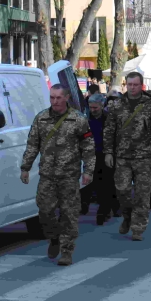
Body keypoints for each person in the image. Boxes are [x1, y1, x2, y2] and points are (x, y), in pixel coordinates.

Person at [21, 85, 95, 266]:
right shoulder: (41, 118)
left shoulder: (78, 120)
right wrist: (25, 167)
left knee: (69, 214)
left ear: (66, 98)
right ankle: (53, 237)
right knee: (44, 211)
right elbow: (32, 145)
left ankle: (67, 251)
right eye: (52, 98)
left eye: (58, 98)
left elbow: (88, 147)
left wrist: (88, 171)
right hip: (47, 175)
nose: (55, 101)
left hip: (69, 176)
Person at [103, 72, 151, 241]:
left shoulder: (150, 105)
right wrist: (108, 152)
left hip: (144, 156)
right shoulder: (117, 105)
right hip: (122, 156)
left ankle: (138, 228)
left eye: (135, 85)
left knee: (142, 194)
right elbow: (109, 130)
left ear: (141, 86)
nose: (132, 88)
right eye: (129, 84)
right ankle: (127, 216)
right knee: (122, 190)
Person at [81, 93, 116, 225]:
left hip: (106, 155)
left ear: (102, 105)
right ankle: (90, 205)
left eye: (95, 107)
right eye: (91, 107)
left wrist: (111, 153)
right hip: (90, 155)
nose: (93, 110)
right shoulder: (85, 119)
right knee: (91, 183)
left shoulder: (109, 119)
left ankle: (103, 210)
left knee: (106, 185)